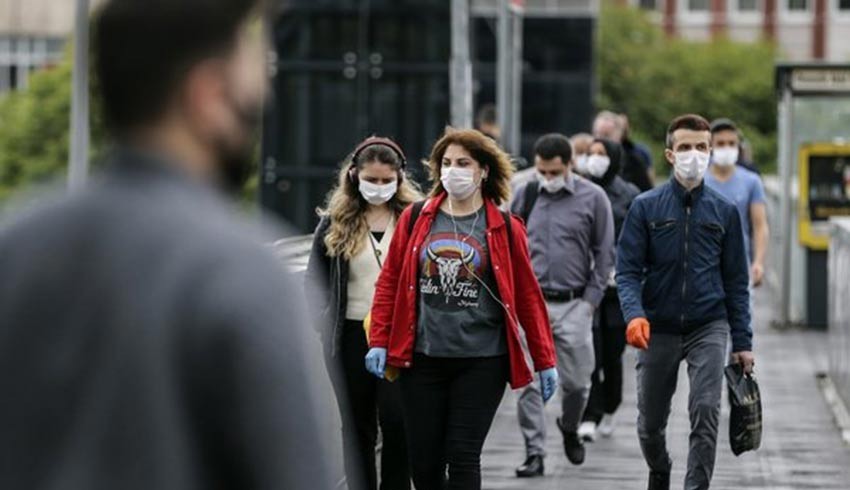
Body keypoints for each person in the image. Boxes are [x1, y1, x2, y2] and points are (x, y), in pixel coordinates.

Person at [0, 1, 336, 489]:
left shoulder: (16, 246)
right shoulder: (240, 270)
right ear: (207, 95)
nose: (264, 95)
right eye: (254, 79)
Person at [365, 128, 558, 490]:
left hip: (481, 361)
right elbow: (390, 280)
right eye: (446, 163)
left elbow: (529, 297)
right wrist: (379, 339)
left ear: (484, 170)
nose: (453, 171)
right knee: (424, 464)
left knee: (463, 455)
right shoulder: (415, 217)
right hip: (421, 358)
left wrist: (545, 360)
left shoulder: (503, 226)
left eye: (463, 163)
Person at [617, 114, 753, 490]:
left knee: (706, 409)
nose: (694, 154)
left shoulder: (724, 211)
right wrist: (634, 315)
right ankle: (659, 467)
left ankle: (696, 486)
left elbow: (737, 281)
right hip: (656, 326)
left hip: (708, 324)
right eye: (685, 147)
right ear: (669, 155)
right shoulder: (646, 207)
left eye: (701, 147)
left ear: (710, 152)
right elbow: (626, 270)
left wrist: (742, 342)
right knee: (649, 424)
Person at [305, 137, 420, 490]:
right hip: (350, 334)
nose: (379, 187)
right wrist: (323, 323)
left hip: (398, 335)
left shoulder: (414, 219)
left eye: (387, 180)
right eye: (372, 179)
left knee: (397, 420)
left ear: (400, 178)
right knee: (356, 426)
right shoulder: (335, 223)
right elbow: (315, 279)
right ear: (354, 175)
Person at [511, 133, 615, 477]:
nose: (548, 178)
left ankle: (569, 427)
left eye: (554, 172)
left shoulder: (593, 198)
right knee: (527, 384)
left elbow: (604, 253)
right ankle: (534, 452)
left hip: (574, 303)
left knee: (578, 382)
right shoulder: (524, 193)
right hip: (531, 303)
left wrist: (591, 301)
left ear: (570, 165)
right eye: (542, 171)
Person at [577, 138, 640, 442]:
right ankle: (591, 411)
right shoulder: (577, 188)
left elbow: (637, 237)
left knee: (613, 350)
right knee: (592, 349)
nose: (595, 159)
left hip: (617, 284)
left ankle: (611, 404)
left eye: (602, 154)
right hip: (585, 283)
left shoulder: (629, 195)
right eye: (591, 153)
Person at [706, 118, 769, 287]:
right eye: (720, 143)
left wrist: (758, 262)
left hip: (740, 266)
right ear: (710, 146)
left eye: (731, 143)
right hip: (703, 267)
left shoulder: (751, 181)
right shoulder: (698, 179)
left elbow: (760, 225)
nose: (726, 148)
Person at [593, 111, 653, 192]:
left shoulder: (634, 162)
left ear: (619, 135)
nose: (600, 140)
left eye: (606, 135)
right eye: (598, 134)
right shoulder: (587, 159)